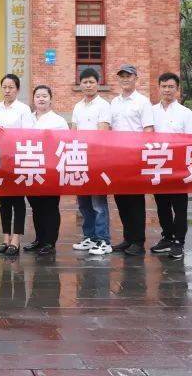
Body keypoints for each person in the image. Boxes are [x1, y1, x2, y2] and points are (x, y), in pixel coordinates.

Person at [108, 64, 155, 256]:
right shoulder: (114, 102)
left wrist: (142, 155)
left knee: (135, 201)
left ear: (136, 78)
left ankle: (138, 241)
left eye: (129, 76)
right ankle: (128, 238)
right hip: (118, 158)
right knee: (121, 199)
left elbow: (149, 130)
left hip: (135, 157)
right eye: (122, 76)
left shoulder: (143, 102)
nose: (125, 79)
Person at [150, 72, 192, 258]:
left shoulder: (186, 113)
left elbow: (191, 140)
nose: (167, 90)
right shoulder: (151, 111)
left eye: (171, 87)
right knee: (162, 205)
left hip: (178, 167)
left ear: (177, 89)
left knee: (179, 206)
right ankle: (167, 236)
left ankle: (179, 241)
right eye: (164, 86)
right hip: (157, 164)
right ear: (159, 88)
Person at [70, 68, 113, 256]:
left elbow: (103, 132)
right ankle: (90, 237)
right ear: (80, 85)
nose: (88, 85)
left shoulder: (103, 105)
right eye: (85, 82)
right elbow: (73, 131)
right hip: (79, 159)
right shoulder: (78, 106)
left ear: (98, 84)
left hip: (97, 160)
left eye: (91, 82)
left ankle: (103, 240)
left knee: (98, 202)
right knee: (83, 203)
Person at [0, 73, 34, 256]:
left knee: (18, 200)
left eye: (11, 87)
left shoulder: (23, 109)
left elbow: (29, 134)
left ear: (17, 89)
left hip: (17, 159)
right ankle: (5, 238)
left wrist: (10, 134)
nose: (7, 91)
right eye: (4, 87)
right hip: (0, 160)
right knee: (4, 202)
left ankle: (16, 238)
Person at [27, 85, 67, 256]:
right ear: (33, 99)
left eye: (44, 96)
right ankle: (39, 238)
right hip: (31, 167)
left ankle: (50, 241)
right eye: (38, 96)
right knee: (36, 206)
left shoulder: (58, 121)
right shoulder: (27, 118)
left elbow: (66, 143)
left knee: (50, 206)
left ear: (50, 99)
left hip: (50, 170)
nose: (41, 99)